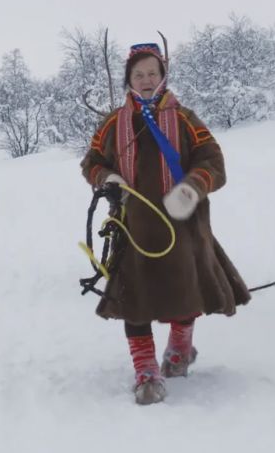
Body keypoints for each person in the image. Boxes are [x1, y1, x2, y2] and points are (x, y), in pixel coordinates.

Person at [80, 42, 250, 405]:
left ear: (163, 76)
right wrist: (107, 179)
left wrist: (192, 187)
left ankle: (178, 352)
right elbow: (91, 161)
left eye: (152, 74)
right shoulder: (113, 123)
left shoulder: (186, 119)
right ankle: (145, 371)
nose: (145, 80)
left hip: (184, 226)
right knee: (134, 299)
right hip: (132, 228)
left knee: (185, 293)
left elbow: (213, 162)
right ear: (128, 78)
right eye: (138, 74)